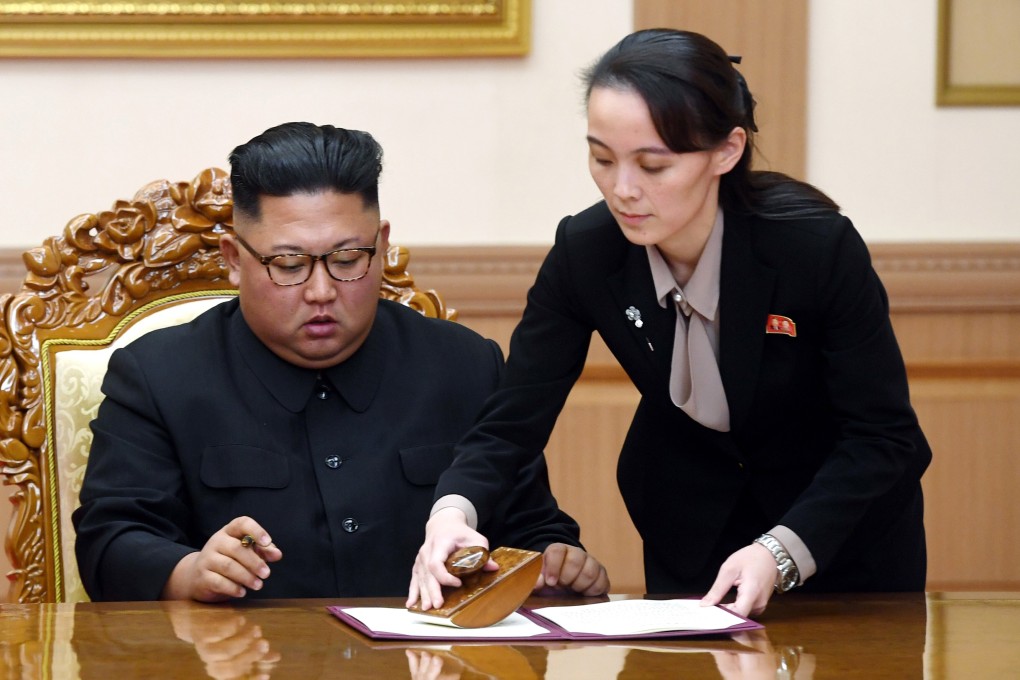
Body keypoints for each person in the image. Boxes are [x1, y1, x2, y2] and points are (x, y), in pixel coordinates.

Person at [409, 29, 931, 618]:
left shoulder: (815, 250)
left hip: (840, 538)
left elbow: (882, 435)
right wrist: (451, 514)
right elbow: (511, 424)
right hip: (692, 530)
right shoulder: (586, 252)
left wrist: (781, 551)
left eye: (653, 165)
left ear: (727, 152)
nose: (622, 190)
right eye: (602, 159)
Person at [72, 122, 609, 602]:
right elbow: (109, 543)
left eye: (348, 259)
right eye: (289, 264)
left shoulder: (465, 365)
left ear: (382, 246)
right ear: (234, 260)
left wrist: (558, 558)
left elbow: (532, 527)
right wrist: (189, 571)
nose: (322, 291)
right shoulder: (158, 376)